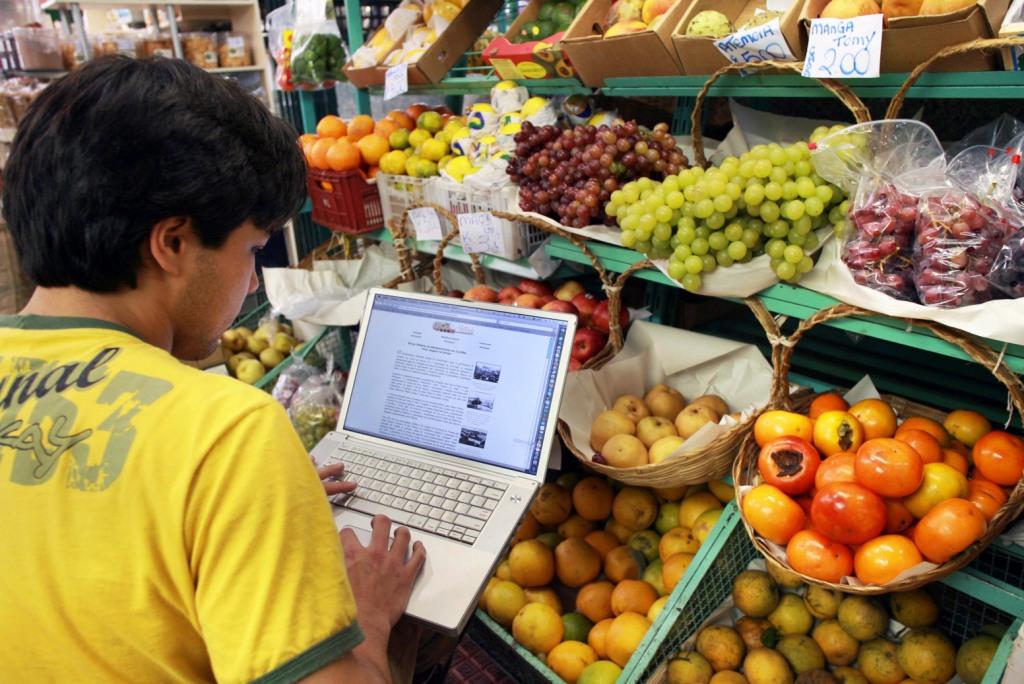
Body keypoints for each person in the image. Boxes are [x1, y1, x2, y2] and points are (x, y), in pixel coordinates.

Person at [0, 56, 426, 682]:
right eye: (252, 249)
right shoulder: (226, 434)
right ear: (172, 243)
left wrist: (248, 505)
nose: (253, 277)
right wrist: (371, 614)